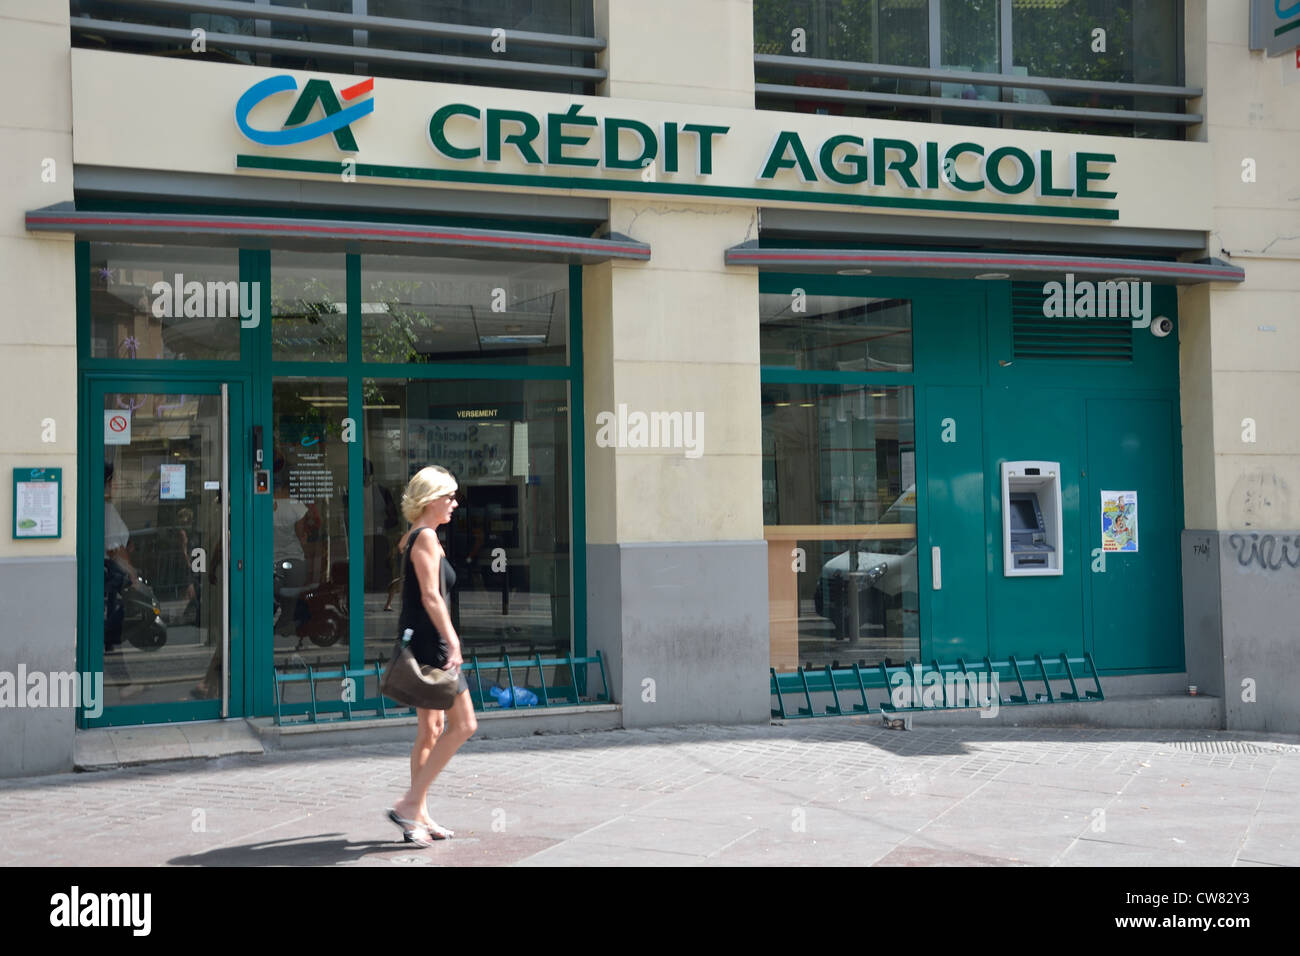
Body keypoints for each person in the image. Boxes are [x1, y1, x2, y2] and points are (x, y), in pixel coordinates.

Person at [386, 465, 477, 846]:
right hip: (431, 645)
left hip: (427, 641)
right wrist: (452, 641)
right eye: (449, 497)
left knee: (433, 729)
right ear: (431, 499)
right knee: (464, 725)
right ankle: (409, 806)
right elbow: (430, 596)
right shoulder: (424, 537)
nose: (455, 504)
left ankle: (417, 815)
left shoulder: (420, 536)